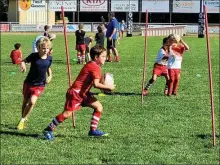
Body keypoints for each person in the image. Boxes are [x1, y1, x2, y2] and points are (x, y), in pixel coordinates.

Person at [43, 44, 115, 140]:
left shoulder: (93, 64)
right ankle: (48, 129)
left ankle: (93, 130)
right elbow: (96, 84)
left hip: (84, 93)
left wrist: (105, 86)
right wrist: (108, 87)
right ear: (96, 57)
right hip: (76, 93)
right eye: (103, 56)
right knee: (67, 114)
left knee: (99, 107)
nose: (105, 58)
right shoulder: (95, 67)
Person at [17, 37, 53, 130]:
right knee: (25, 102)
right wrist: (23, 65)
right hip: (29, 82)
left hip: (40, 84)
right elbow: (24, 61)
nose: (45, 50)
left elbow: (48, 67)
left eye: (47, 48)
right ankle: (23, 119)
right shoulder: (33, 56)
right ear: (38, 48)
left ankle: (22, 119)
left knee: (32, 102)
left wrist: (50, 76)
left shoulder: (49, 58)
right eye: (43, 48)